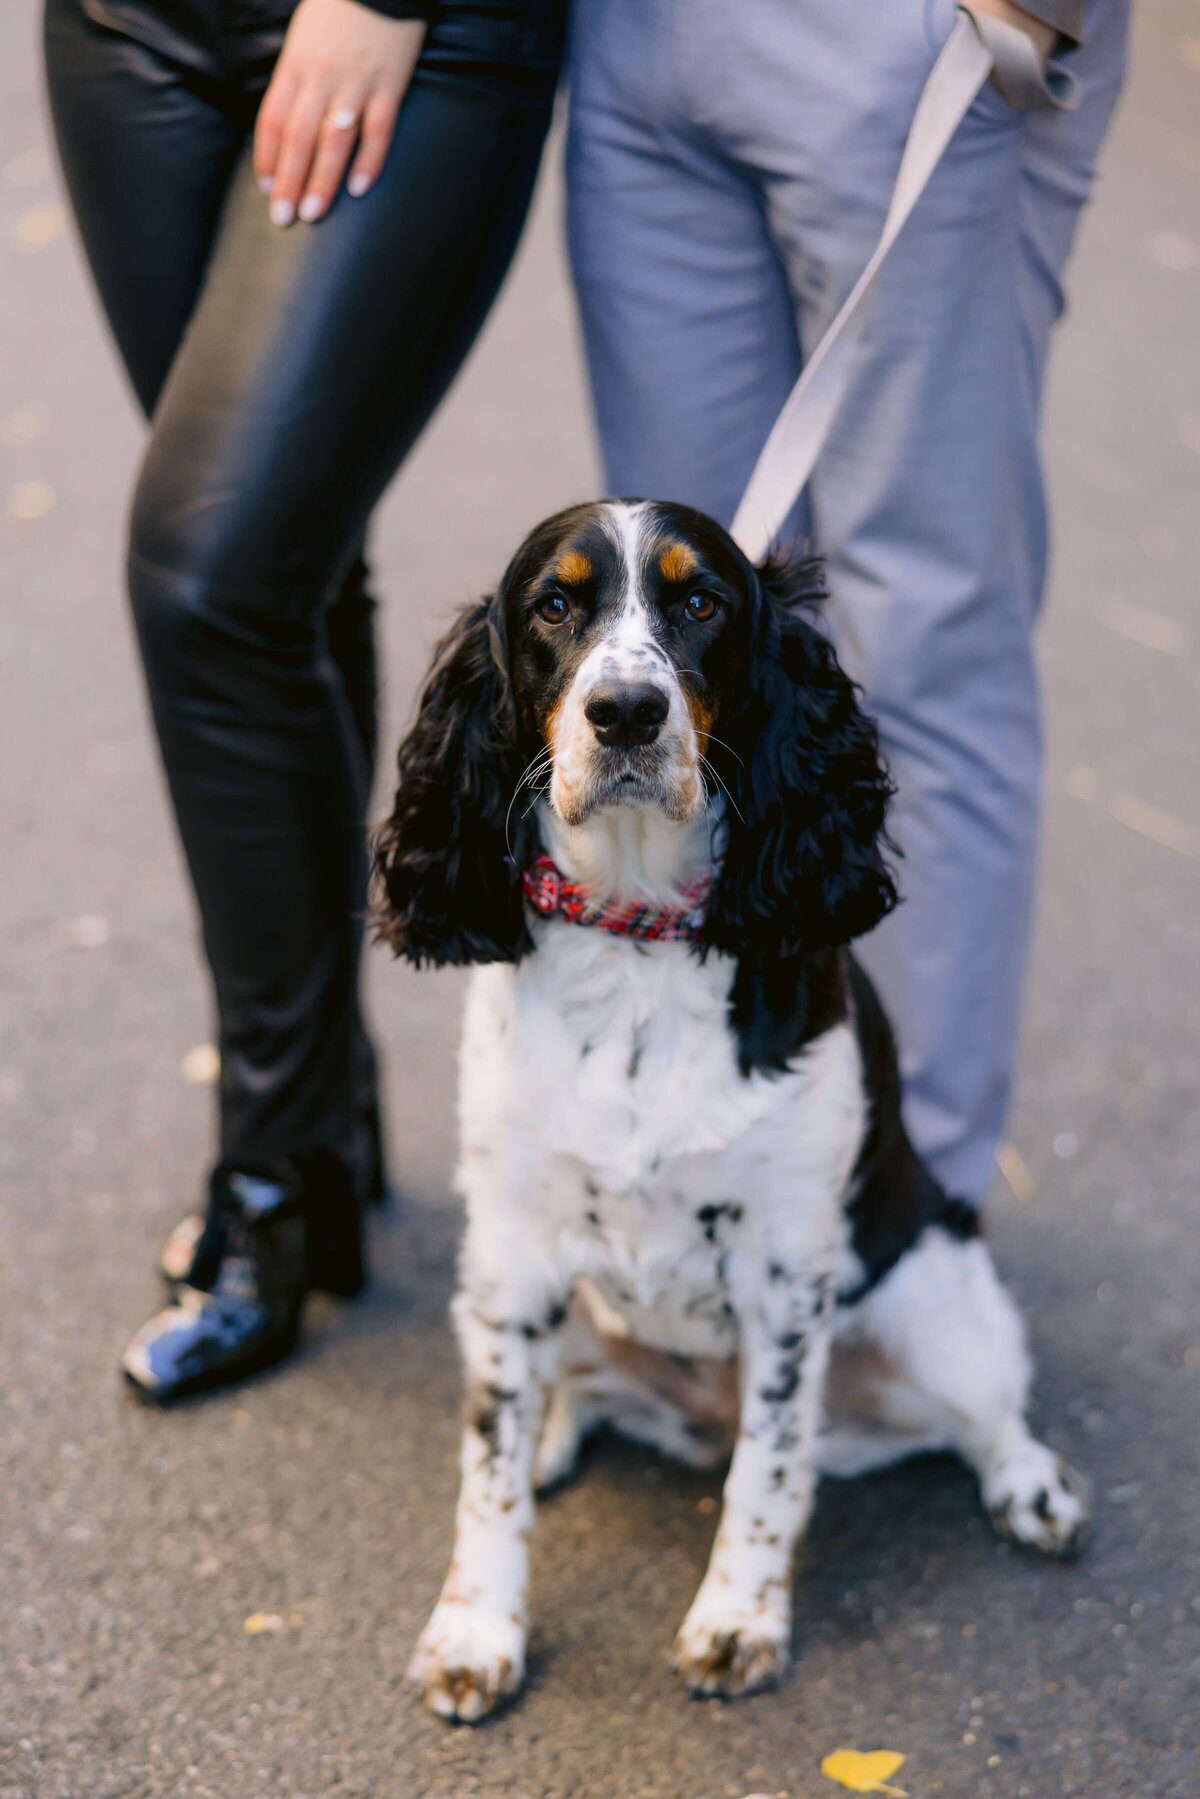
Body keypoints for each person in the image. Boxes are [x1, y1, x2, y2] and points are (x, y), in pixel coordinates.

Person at [44, 0, 566, 1401]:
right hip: (122, 33)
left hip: (406, 27)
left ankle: (271, 1182)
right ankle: (325, 1130)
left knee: (212, 579)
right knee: (285, 567)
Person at [566, 0, 1128, 1216]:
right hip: (632, 40)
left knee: (926, 639)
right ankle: (709, 1211)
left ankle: (904, 1229)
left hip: (905, 35)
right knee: (684, 643)